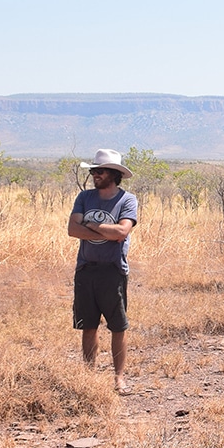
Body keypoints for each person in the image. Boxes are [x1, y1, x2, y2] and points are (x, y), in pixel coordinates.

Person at [68, 149, 139, 393]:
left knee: (118, 326)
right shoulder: (84, 197)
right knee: (88, 325)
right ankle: (89, 376)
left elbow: (122, 233)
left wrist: (89, 224)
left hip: (113, 271)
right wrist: (105, 231)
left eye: (99, 171)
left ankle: (119, 377)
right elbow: (72, 230)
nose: (94, 174)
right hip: (86, 269)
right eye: (93, 170)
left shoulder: (127, 200)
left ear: (114, 174)